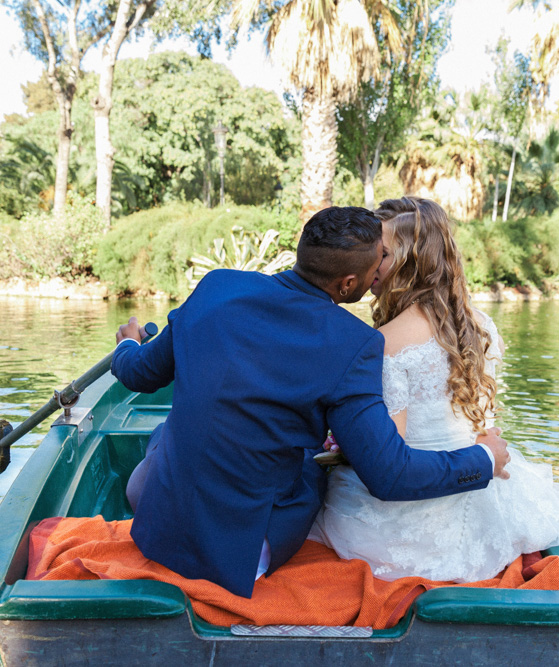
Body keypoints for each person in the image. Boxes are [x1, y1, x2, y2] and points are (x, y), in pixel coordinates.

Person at [111, 206, 511, 598]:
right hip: (239, 558)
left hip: (158, 534)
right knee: (315, 467)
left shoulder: (215, 287)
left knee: (170, 432)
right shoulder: (355, 344)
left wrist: (128, 342)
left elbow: (138, 373)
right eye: (377, 267)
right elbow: (390, 476)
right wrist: (484, 460)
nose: (378, 278)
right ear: (348, 284)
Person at [310, 197, 559, 583]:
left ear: (409, 263)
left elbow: (391, 457)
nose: (371, 263)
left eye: (382, 253)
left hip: (406, 517)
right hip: (481, 494)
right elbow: (483, 422)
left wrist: (343, 443)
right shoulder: (481, 326)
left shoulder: (383, 344)